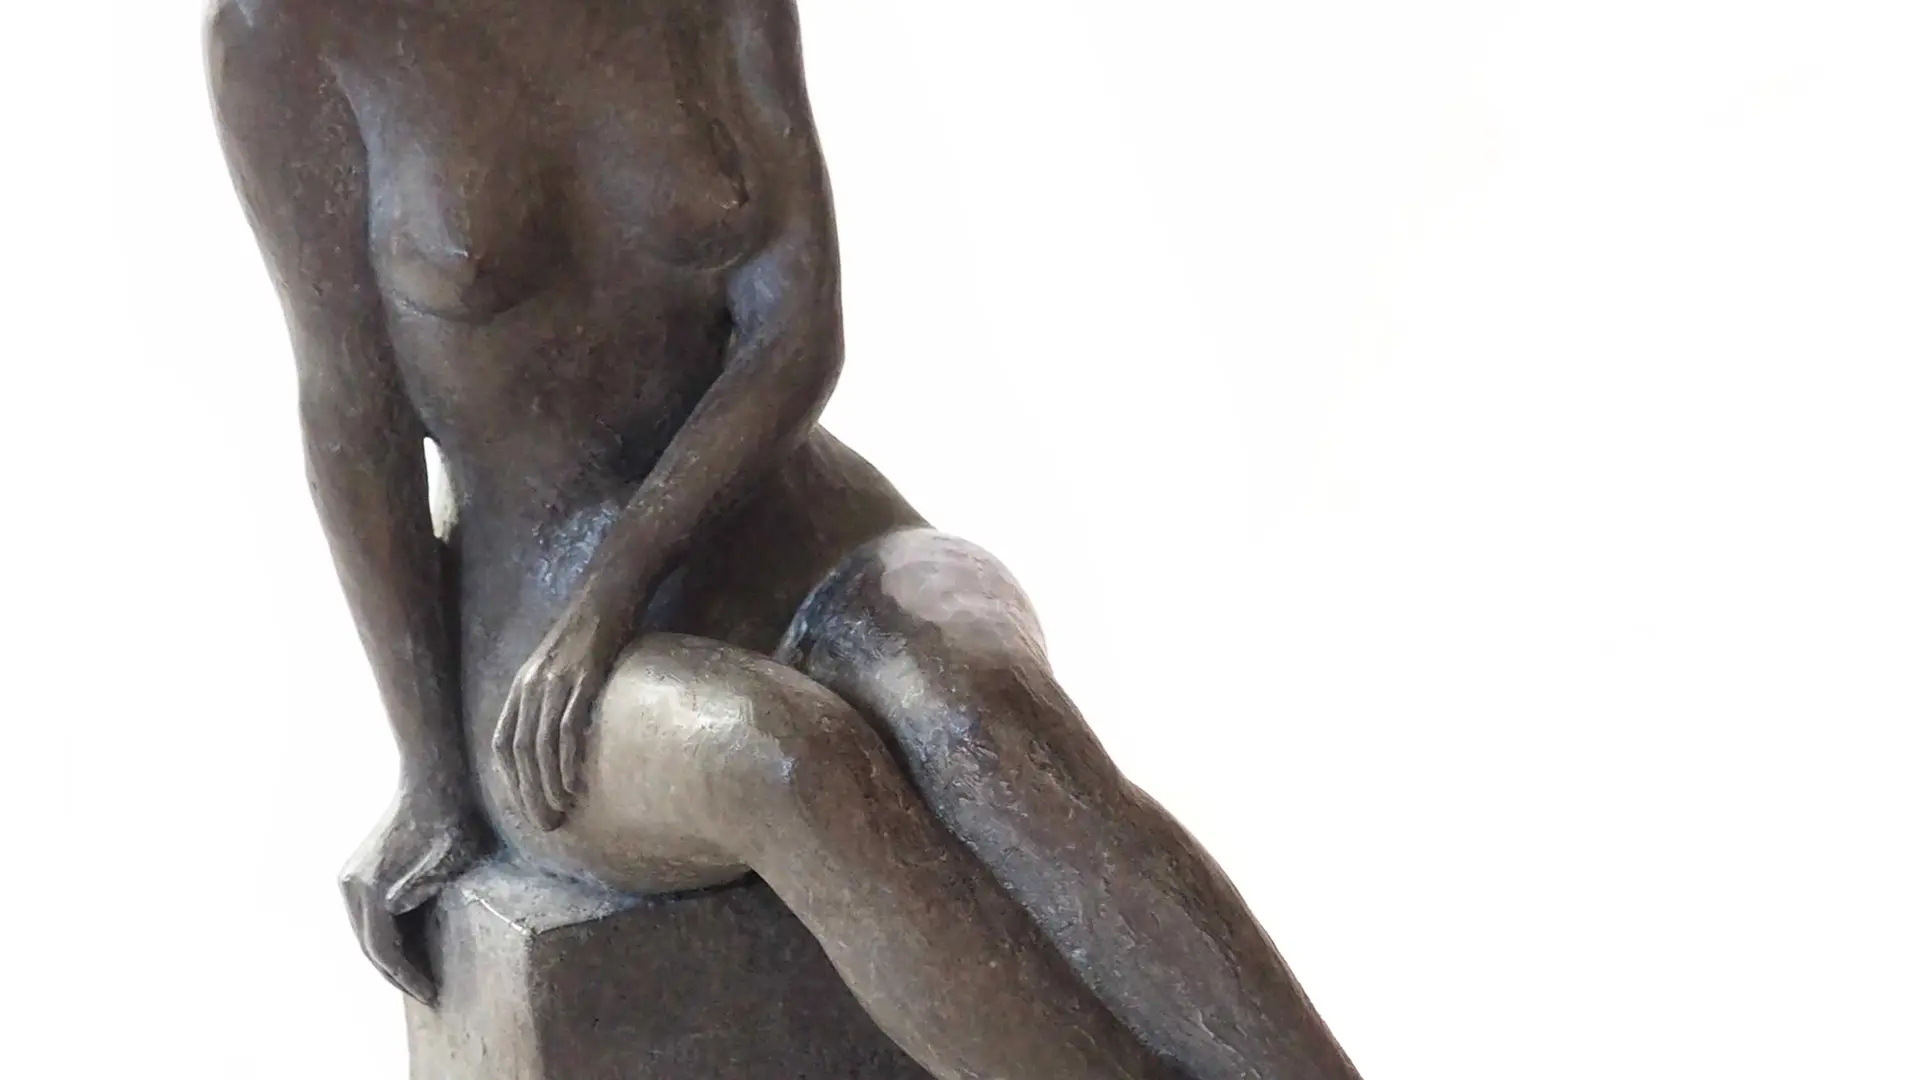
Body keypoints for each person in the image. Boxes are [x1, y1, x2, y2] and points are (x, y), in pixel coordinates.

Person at [207, 2, 1361, 1077]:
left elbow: (796, 326)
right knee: (788, 762)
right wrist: (431, 773)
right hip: (540, 640)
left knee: (986, 710)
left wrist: (618, 582)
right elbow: (352, 420)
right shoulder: (292, 32)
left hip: (802, 529)